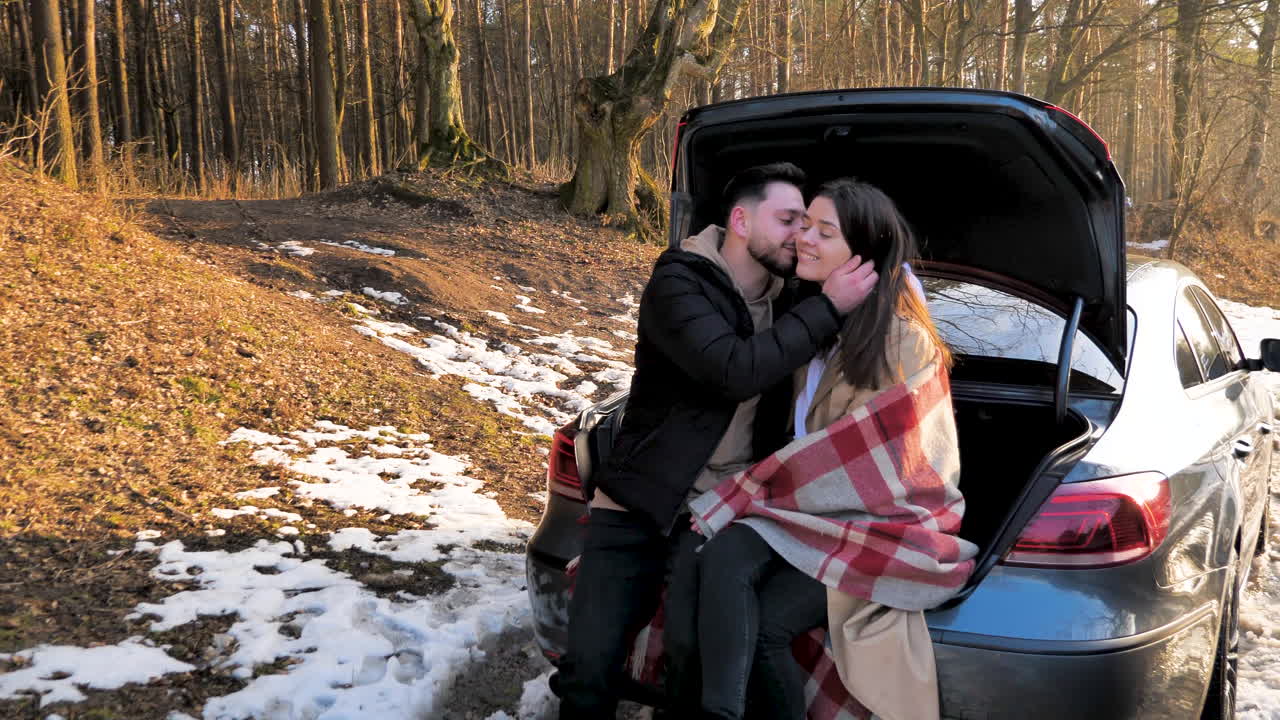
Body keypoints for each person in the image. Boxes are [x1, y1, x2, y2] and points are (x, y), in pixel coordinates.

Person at [549, 163, 880, 719]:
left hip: (716, 509)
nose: (800, 234)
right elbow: (732, 368)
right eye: (788, 220)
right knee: (589, 661)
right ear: (741, 220)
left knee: (690, 658)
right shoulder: (678, 282)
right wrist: (828, 308)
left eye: (806, 224)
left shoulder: (792, 297)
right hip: (637, 500)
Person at [684, 178, 979, 720]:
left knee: (768, 624)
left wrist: (767, 492)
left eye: (825, 231)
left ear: (862, 252)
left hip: (881, 525)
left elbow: (880, 465)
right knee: (722, 557)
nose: (804, 239)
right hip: (812, 513)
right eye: (802, 226)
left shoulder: (901, 338)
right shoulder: (824, 321)